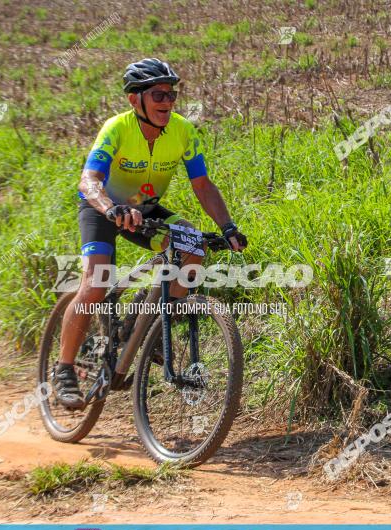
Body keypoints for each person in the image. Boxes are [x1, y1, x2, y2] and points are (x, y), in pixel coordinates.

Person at [53, 57, 247, 410]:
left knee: (193, 248)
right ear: (134, 99)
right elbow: (89, 180)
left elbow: (202, 185)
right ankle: (64, 368)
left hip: (144, 209)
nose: (167, 102)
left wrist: (228, 227)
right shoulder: (117, 128)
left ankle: (152, 324)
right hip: (103, 207)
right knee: (96, 282)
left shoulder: (183, 131)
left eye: (172, 95)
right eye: (158, 95)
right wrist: (110, 208)